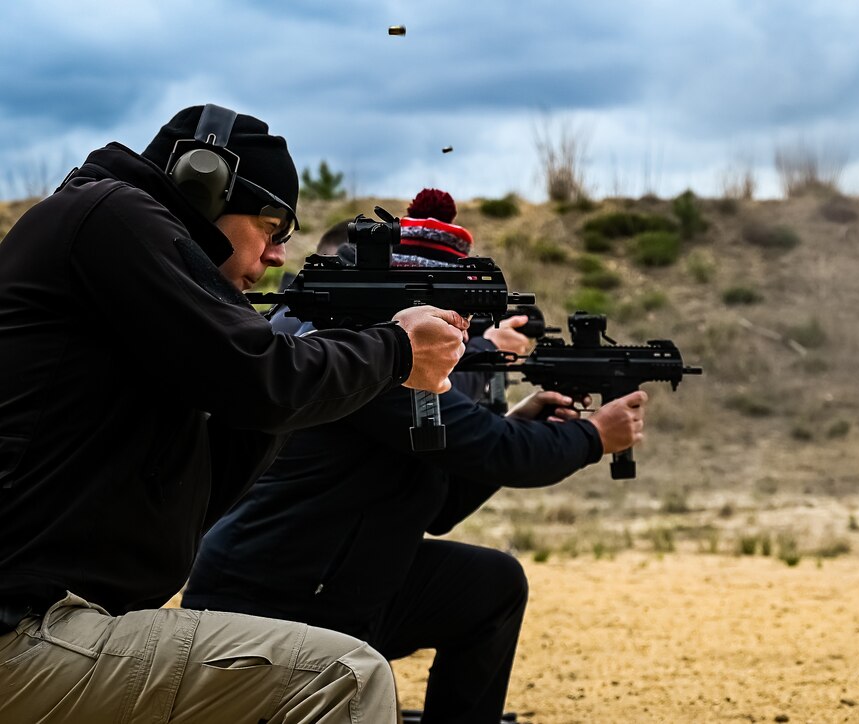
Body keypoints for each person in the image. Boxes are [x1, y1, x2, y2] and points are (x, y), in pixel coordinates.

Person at [0, 106, 469, 723]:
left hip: (56, 624)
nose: (277, 255)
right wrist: (393, 348)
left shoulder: (117, 271)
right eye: (273, 227)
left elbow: (223, 461)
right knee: (344, 677)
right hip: (25, 629)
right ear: (204, 185)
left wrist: (318, 338)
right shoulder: (110, 212)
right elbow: (261, 381)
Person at [182, 188, 649, 723]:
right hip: (277, 602)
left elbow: (445, 496)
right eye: (456, 312)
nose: (466, 330)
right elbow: (494, 449)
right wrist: (594, 437)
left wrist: (524, 419)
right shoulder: (367, 353)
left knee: (490, 586)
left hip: (346, 584)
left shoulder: (373, 347)